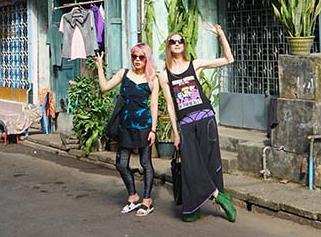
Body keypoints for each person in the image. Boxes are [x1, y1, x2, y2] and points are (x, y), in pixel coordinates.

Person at [158, 22, 237, 223]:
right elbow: (169, 104)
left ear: (184, 45)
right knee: (191, 166)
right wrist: (175, 133)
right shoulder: (164, 74)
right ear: (168, 46)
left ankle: (205, 201)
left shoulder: (195, 64)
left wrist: (220, 34)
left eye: (180, 41)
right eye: (172, 41)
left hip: (205, 119)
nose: (177, 43)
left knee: (209, 163)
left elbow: (229, 59)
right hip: (185, 124)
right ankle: (217, 197)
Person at [96, 43, 160, 217]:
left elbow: (154, 105)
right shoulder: (124, 74)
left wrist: (153, 130)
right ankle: (133, 195)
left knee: (145, 163)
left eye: (141, 57)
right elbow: (104, 87)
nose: (137, 60)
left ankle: (147, 200)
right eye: (134, 56)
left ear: (147, 58)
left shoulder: (153, 79)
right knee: (121, 164)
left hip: (143, 127)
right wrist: (100, 67)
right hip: (125, 127)